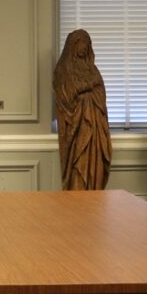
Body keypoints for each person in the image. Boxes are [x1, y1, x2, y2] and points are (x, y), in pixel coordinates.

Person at [53, 29, 111, 191]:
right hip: (76, 128)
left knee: (96, 165)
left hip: (95, 128)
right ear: (73, 45)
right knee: (78, 166)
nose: (85, 47)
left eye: (88, 44)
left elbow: (100, 91)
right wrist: (86, 88)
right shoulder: (63, 69)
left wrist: (89, 94)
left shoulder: (92, 69)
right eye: (82, 43)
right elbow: (66, 95)